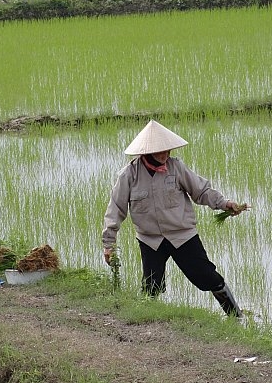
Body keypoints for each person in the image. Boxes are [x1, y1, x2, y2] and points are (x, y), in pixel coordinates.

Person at [102, 119, 248, 317]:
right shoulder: (129, 175)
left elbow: (201, 191)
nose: (164, 155)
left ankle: (236, 316)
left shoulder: (176, 168)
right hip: (150, 239)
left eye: (167, 150)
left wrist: (225, 203)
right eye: (159, 151)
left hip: (183, 236)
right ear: (146, 152)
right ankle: (147, 322)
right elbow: (116, 209)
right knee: (151, 286)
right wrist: (109, 244)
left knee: (207, 276)